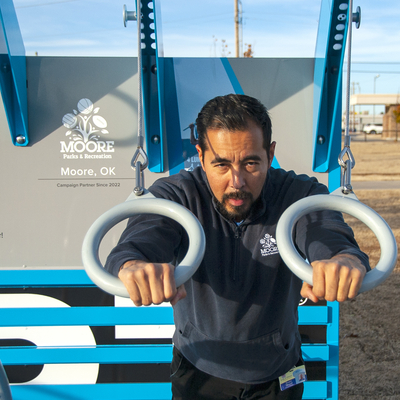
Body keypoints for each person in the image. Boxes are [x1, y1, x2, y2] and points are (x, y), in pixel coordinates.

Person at [105, 94, 369, 400]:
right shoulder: (177, 195)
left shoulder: (299, 194)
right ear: (201, 156)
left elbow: (327, 231)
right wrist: (133, 264)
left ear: (270, 154)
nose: (237, 181)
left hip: (278, 370)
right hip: (198, 366)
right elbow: (143, 236)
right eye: (221, 164)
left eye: (250, 163)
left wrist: (342, 259)